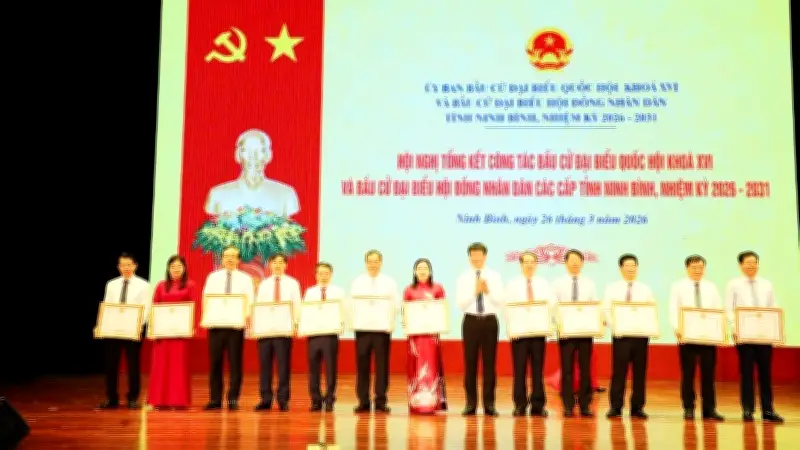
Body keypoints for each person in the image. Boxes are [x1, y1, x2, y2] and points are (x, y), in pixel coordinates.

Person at [724, 251, 784, 423]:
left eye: (754, 262)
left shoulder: (767, 284)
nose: (751, 265)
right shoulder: (733, 284)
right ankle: (748, 410)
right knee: (747, 373)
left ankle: (768, 410)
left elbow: (773, 307)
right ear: (740, 265)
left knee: (766, 373)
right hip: (744, 336)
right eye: (748, 262)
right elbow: (729, 308)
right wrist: (734, 327)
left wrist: (776, 329)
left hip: (764, 336)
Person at [669, 254, 724, 421]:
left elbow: (718, 309)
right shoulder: (678, 286)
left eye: (700, 267)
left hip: (708, 337)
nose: (697, 270)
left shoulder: (711, 287)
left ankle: (709, 409)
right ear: (687, 268)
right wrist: (677, 328)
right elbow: (673, 308)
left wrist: (719, 330)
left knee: (708, 374)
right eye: (694, 267)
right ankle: (688, 407)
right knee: (688, 373)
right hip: (687, 336)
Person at [202, 245, 255, 411]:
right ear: (222, 259)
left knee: (235, 363)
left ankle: (233, 399)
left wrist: (245, 319)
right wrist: (206, 318)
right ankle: (215, 399)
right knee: (215, 363)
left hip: (235, 327)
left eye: (233, 256)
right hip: (216, 326)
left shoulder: (246, 279)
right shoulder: (213, 277)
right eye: (227, 256)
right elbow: (206, 299)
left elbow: (250, 300)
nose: (230, 259)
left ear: (239, 260)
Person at [97, 253, 151, 409]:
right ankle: (111, 398)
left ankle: (132, 398)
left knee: (133, 365)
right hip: (113, 329)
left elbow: (146, 308)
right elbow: (107, 306)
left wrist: (139, 326)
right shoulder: (111, 284)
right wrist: (102, 325)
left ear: (135, 266)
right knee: (111, 364)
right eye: (123, 265)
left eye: (129, 265)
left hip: (133, 329)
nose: (126, 268)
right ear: (118, 267)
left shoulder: (144, 285)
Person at [603, 253, 654, 419]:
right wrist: (615, 327)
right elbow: (606, 310)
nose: (631, 269)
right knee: (619, 372)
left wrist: (650, 328)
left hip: (641, 336)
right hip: (621, 336)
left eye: (633, 266)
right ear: (621, 268)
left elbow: (650, 311)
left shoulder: (645, 289)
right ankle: (615, 407)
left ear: (637, 268)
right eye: (627, 266)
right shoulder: (612, 288)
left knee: (640, 372)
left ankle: (637, 407)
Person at [456, 242, 503, 416]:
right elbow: (461, 304)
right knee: (470, 364)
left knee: (490, 364)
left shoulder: (495, 276)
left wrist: (488, 291)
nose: (476, 258)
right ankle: (471, 404)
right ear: (469, 257)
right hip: (470, 322)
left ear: (485, 256)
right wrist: (475, 292)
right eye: (473, 255)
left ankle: (489, 404)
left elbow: (500, 302)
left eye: (479, 255)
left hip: (490, 321)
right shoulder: (463, 277)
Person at [350, 249, 400, 413]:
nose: (373, 264)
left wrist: (388, 320)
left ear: (381, 263)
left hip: (382, 330)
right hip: (362, 329)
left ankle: (380, 401)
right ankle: (363, 401)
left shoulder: (389, 282)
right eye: (370, 261)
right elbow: (352, 305)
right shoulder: (358, 282)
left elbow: (396, 305)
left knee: (382, 366)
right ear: (366, 263)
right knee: (362, 366)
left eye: (376, 261)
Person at [504, 251, 552, 417]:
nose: (529, 265)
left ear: (536, 264)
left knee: (538, 371)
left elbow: (549, 307)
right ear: (521, 264)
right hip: (519, 334)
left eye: (532, 262)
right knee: (519, 371)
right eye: (526, 262)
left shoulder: (543, 283)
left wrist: (548, 327)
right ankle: (520, 404)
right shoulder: (512, 284)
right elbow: (507, 308)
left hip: (538, 333)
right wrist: (511, 329)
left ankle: (538, 405)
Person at [147, 255, 197, 409]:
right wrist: (152, 328)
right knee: (160, 367)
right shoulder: (161, 286)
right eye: (173, 266)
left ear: (184, 268)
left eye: (179, 266)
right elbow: (154, 307)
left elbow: (194, 307)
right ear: (168, 269)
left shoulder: (190, 285)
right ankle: (158, 401)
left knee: (178, 367)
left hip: (180, 334)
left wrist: (191, 326)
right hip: (162, 334)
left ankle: (178, 401)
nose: (176, 269)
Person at [551, 249, 597, 417]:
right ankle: (568, 405)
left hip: (585, 332)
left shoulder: (590, 283)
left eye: (578, 260)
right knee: (567, 370)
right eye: (571, 260)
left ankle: (585, 405)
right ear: (566, 263)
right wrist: (559, 326)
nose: (575, 263)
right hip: (566, 333)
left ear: (582, 263)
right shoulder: (558, 283)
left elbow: (594, 306)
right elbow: (553, 307)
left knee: (585, 370)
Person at [254, 253, 302, 411]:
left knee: (283, 367)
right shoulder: (264, 284)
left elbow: (297, 305)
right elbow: (258, 307)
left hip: (284, 330)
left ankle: (283, 399)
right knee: (265, 367)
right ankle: (265, 399)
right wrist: (257, 327)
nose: (278, 265)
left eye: (281, 262)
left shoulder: (293, 283)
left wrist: (296, 324)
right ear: (270, 265)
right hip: (265, 331)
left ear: (286, 265)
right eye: (274, 262)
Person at [402, 258, 448, 414]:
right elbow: (405, 312)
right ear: (415, 272)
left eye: (425, 268)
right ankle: (416, 403)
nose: (422, 271)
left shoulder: (438, 289)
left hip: (431, 337)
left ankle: (432, 403)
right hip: (415, 337)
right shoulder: (409, 290)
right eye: (419, 268)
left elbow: (442, 310)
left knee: (431, 366)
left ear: (430, 271)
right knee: (415, 367)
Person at [303, 262, 345, 412]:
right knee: (313, 369)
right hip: (314, 335)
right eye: (320, 273)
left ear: (331, 275)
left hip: (330, 335)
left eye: (326, 273)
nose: (323, 276)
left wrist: (341, 326)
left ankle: (329, 399)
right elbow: (306, 313)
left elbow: (343, 312)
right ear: (316, 275)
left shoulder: (339, 292)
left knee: (331, 368)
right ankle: (315, 400)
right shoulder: (310, 292)